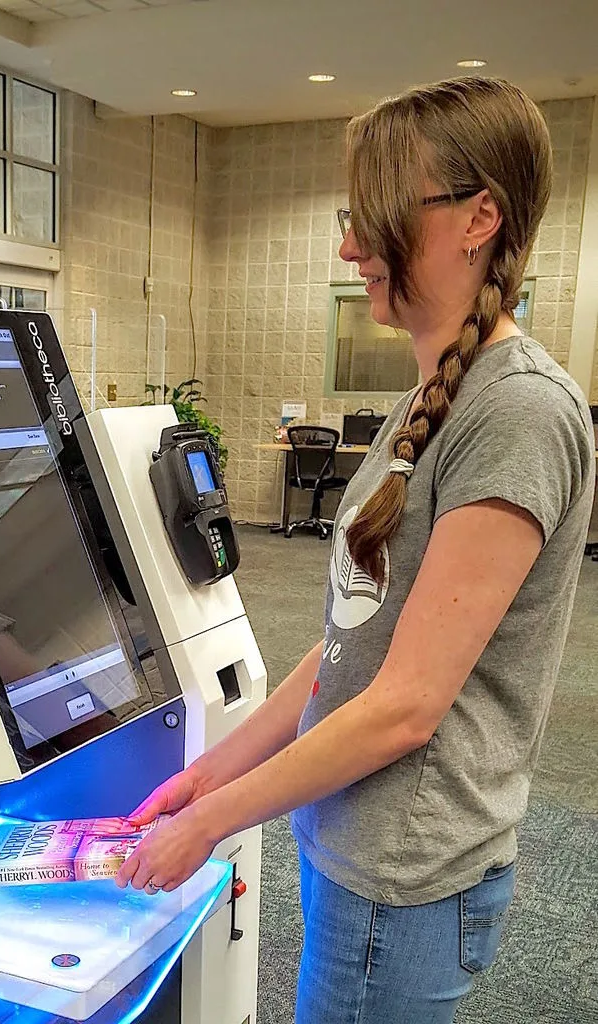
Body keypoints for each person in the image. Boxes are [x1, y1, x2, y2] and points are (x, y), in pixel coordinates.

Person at [115, 76, 596, 1023]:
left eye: (372, 214)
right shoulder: (430, 398)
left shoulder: (516, 412)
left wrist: (211, 825)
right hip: (356, 845)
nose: (347, 246)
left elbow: (403, 709)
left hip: (404, 875)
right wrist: (214, 772)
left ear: (478, 218)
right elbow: (346, 650)